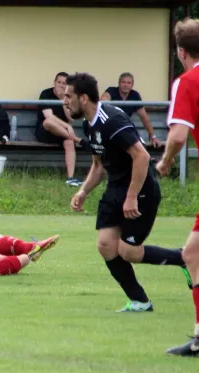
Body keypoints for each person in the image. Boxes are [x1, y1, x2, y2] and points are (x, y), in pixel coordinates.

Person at [63, 72, 191, 313]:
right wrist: (83, 192)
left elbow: (141, 156)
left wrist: (132, 196)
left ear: (83, 98)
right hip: (116, 187)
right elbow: (98, 165)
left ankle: (182, 257)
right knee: (105, 245)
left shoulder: (110, 120)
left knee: (128, 251)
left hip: (141, 188)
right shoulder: (88, 125)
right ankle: (140, 301)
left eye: (68, 96)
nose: (64, 101)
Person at [156, 18, 199, 357]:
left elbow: (178, 135)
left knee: (194, 254)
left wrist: (166, 160)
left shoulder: (187, 81)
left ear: (181, 52)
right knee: (193, 253)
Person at [35, 72, 83, 187]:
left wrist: (63, 100)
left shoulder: (69, 97)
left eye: (64, 83)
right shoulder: (46, 94)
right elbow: (49, 117)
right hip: (45, 132)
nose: (61, 85)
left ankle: (70, 178)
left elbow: (70, 118)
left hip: (62, 134)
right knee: (48, 122)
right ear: (54, 83)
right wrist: (67, 126)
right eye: (59, 82)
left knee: (69, 142)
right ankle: (77, 139)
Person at [101, 73, 161, 148]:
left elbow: (144, 118)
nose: (126, 85)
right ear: (119, 83)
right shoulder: (112, 90)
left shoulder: (135, 95)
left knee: (139, 145)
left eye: (128, 83)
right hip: (111, 127)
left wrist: (153, 137)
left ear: (132, 85)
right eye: (123, 82)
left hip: (125, 127)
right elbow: (104, 99)